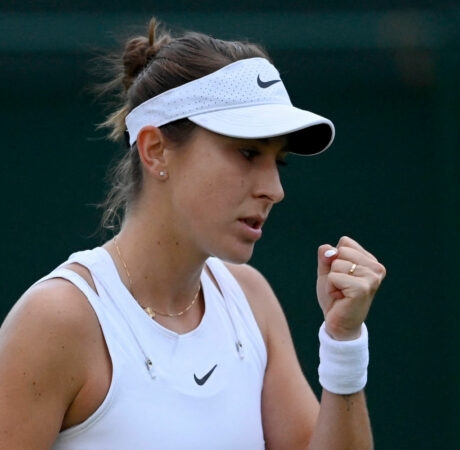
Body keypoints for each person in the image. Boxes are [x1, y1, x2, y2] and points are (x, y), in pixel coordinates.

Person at [0, 18, 386, 449]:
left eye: (277, 162)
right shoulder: (56, 320)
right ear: (155, 150)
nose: (274, 190)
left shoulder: (250, 300)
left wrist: (344, 343)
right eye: (246, 152)